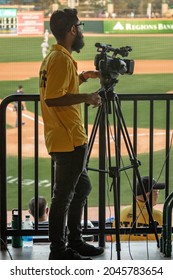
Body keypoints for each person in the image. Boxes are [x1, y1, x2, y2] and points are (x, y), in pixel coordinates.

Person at [39, 8, 103, 260]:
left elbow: (61, 87)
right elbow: (54, 98)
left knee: (82, 187)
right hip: (67, 140)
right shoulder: (60, 59)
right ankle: (59, 250)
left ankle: (74, 241)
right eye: (80, 26)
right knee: (62, 198)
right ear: (72, 30)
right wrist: (87, 97)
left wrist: (84, 77)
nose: (82, 31)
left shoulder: (56, 57)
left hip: (67, 138)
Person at [112, 176, 165, 241]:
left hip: (121, 250)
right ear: (148, 195)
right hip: (148, 251)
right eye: (156, 191)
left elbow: (113, 237)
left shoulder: (121, 212)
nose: (157, 194)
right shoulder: (158, 216)